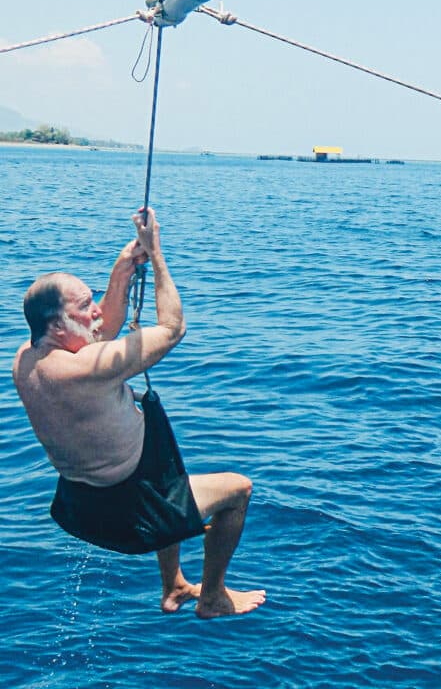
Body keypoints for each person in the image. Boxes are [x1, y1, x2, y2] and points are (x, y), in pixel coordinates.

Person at [11, 207, 266, 619]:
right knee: (238, 490)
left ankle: (174, 586)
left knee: (163, 464)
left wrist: (124, 267)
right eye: (86, 305)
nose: (95, 311)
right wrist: (158, 255)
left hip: (81, 504)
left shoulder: (26, 359)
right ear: (58, 327)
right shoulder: (82, 371)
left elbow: (100, 334)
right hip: (130, 511)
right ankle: (213, 596)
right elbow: (172, 328)